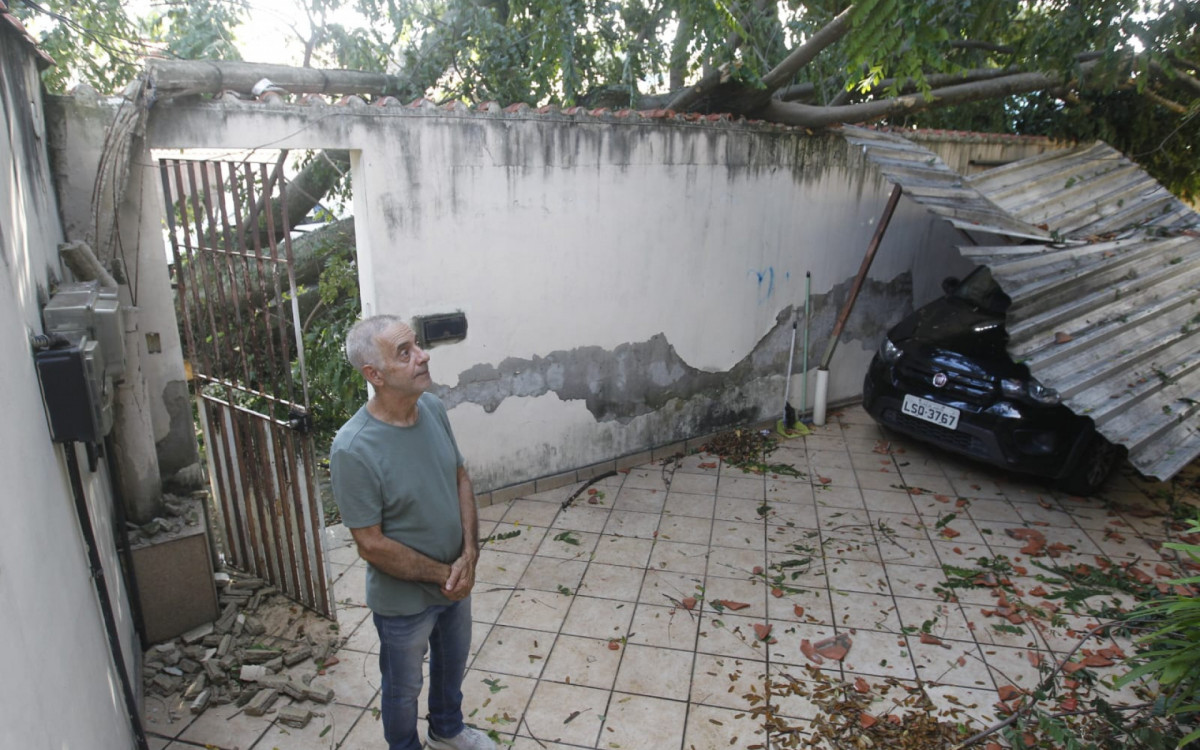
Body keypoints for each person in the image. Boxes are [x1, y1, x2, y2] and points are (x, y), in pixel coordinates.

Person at [330, 315, 494, 750]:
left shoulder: (434, 409)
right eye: (404, 352)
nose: (422, 356)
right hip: (405, 601)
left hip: (456, 578)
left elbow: (460, 476)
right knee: (402, 690)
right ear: (374, 375)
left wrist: (470, 554)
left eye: (416, 346)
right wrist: (442, 573)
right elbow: (371, 543)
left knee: (451, 666)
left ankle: (448, 728)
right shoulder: (353, 448)